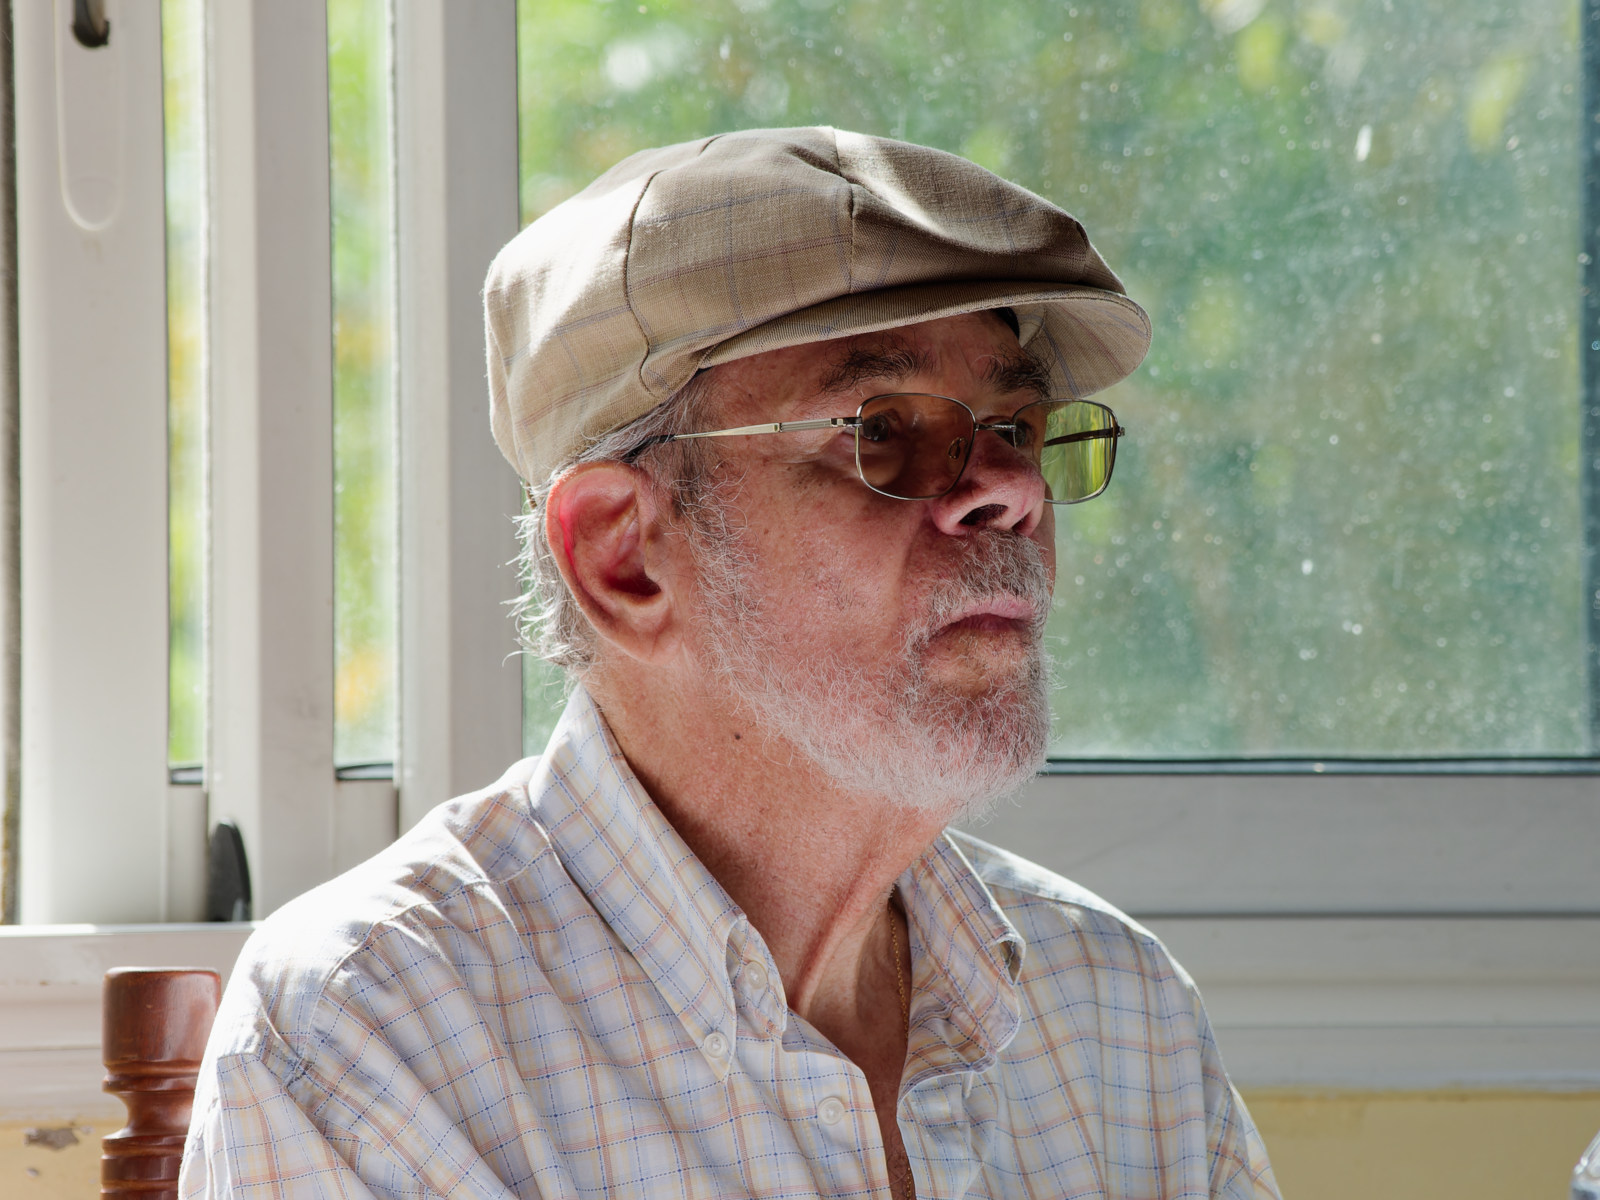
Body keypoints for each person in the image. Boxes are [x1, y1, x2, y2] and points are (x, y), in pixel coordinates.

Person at [181, 126, 1279, 1199]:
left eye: (1019, 427)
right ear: (623, 558)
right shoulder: (370, 1035)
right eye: (879, 431)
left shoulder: (1120, 1013)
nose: (1012, 490)